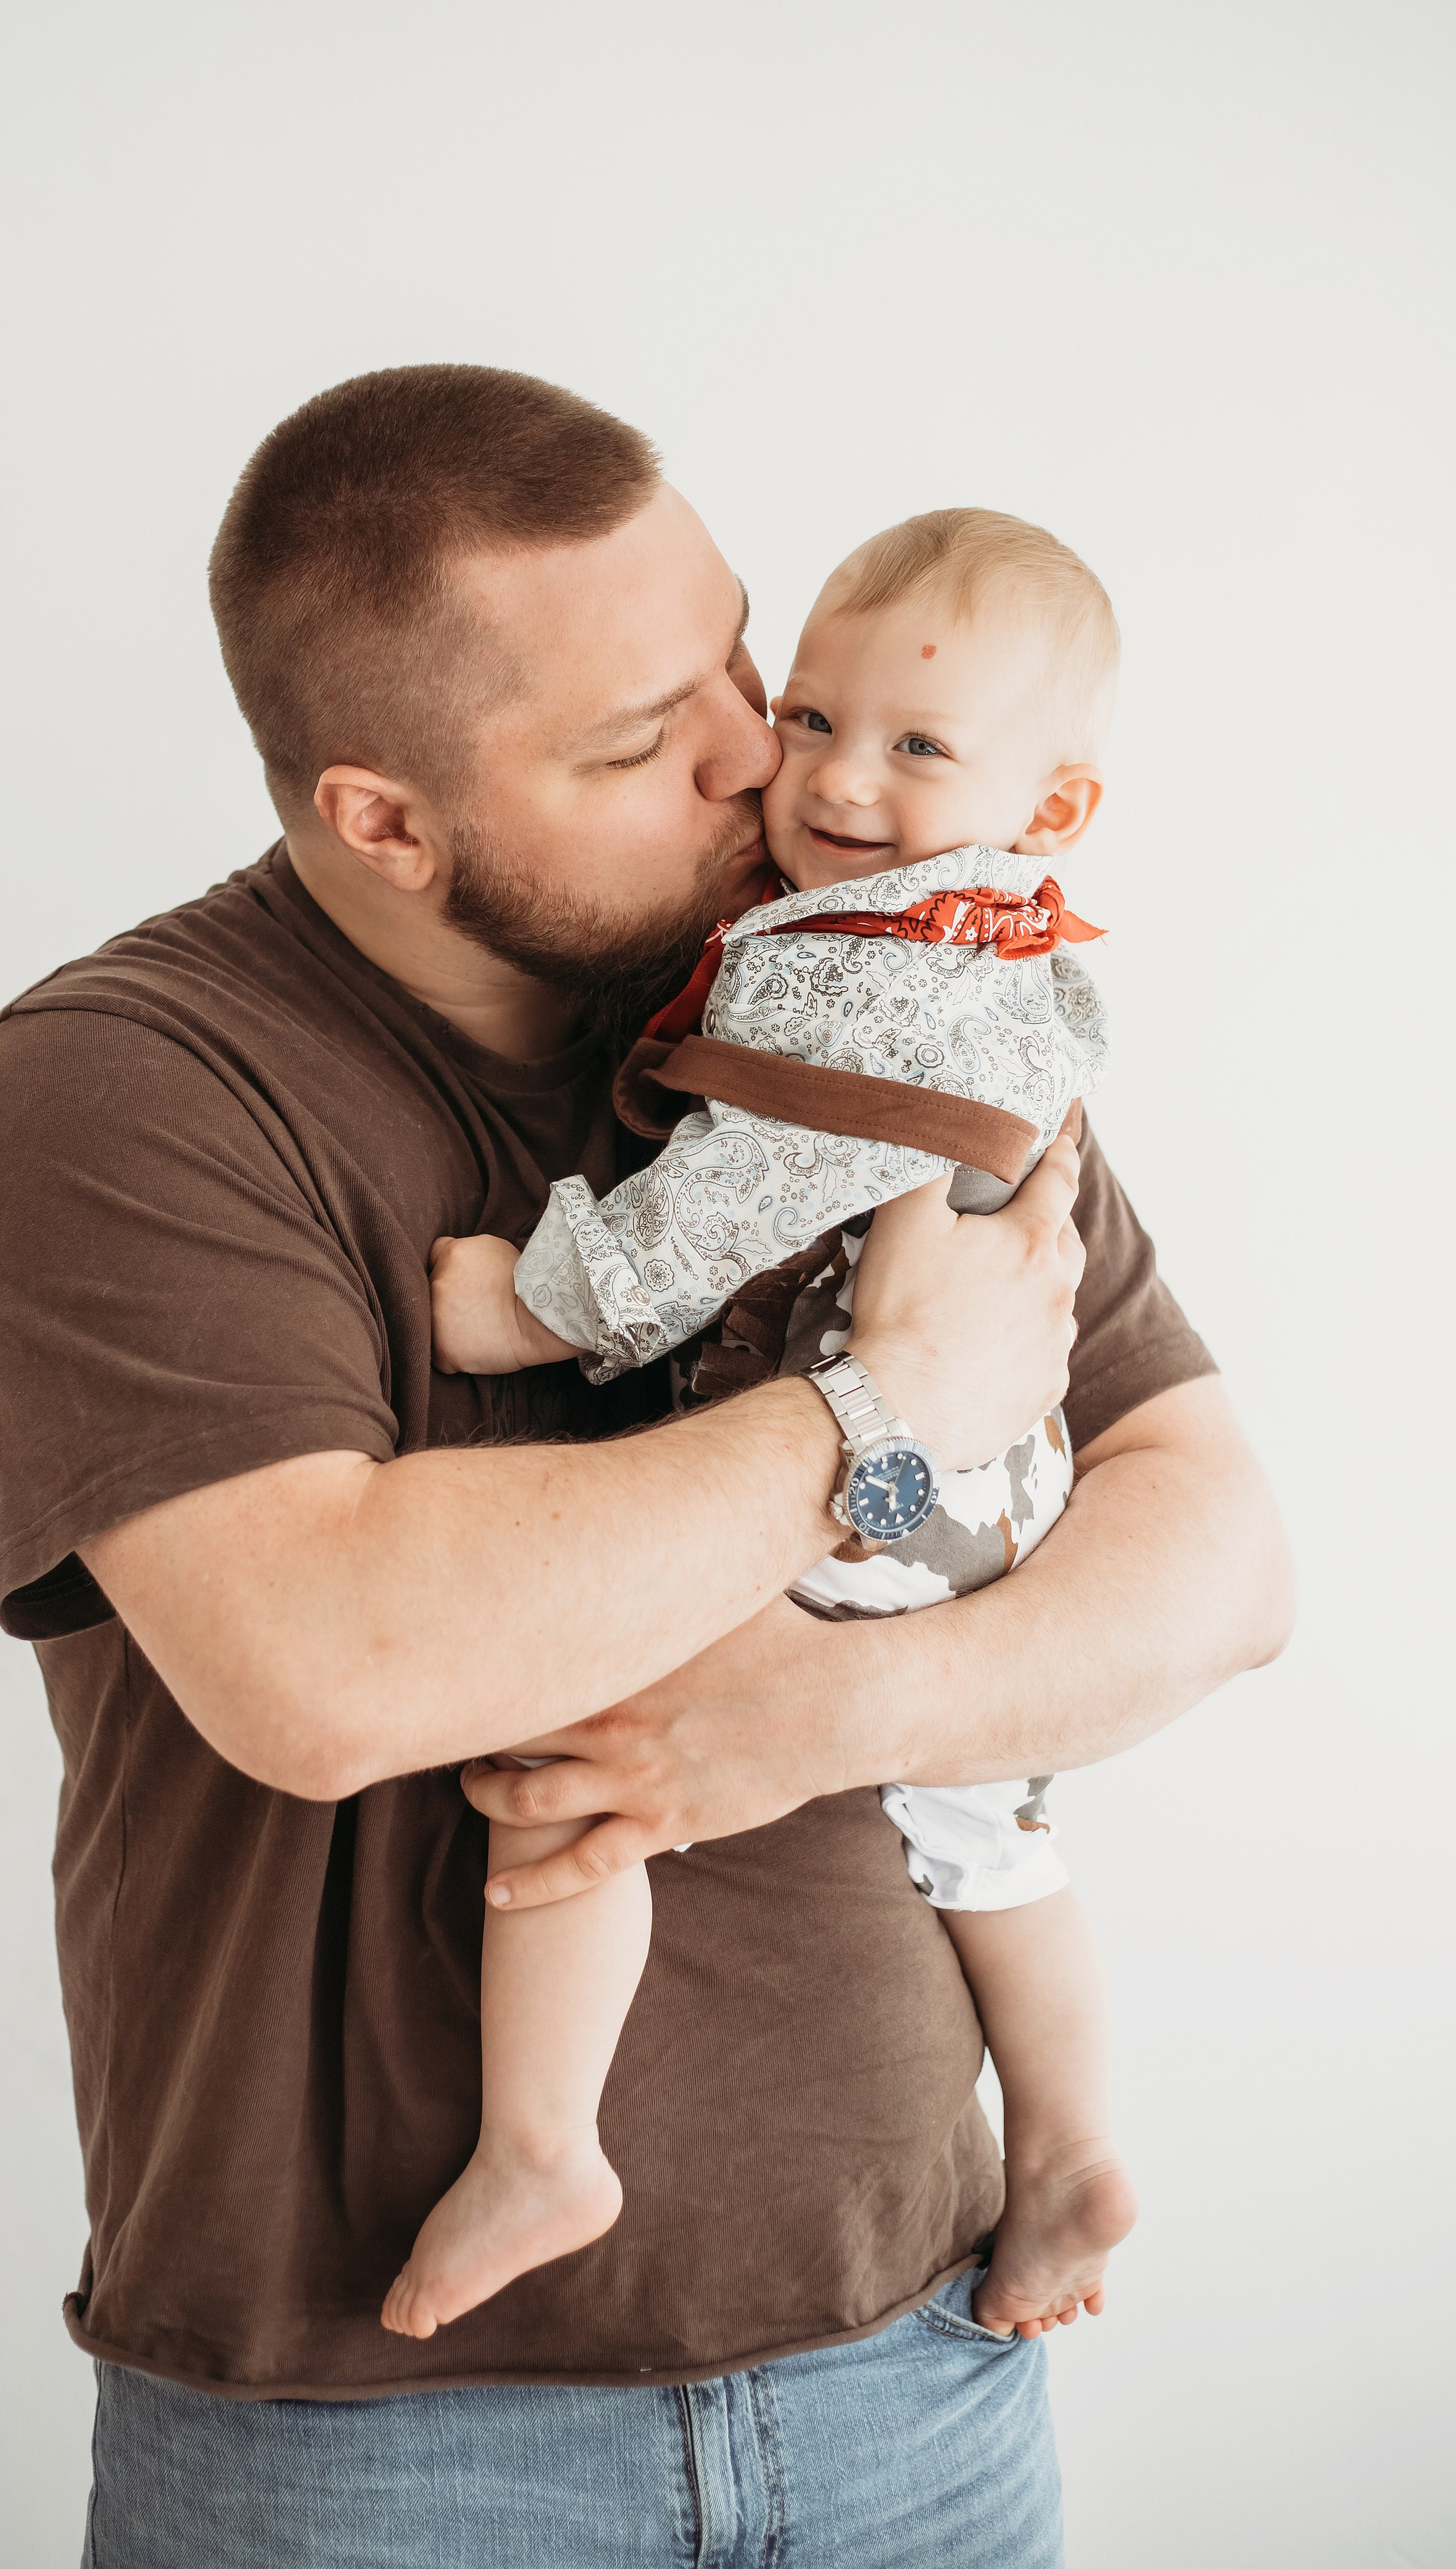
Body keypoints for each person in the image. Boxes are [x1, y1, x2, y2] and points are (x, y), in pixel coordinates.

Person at [0, 365, 1291, 2568]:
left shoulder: (869, 997)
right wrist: (874, 1418)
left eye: (743, 658)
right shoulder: (125, 1093)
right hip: (369, 2439)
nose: (768, 757)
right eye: (652, 735)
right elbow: (329, 1663)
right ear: (386, 819)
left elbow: (1216, 1564)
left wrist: (834, 1708)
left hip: (918, 2365)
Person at [385, 508, 1138, 2352]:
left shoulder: (857, 965)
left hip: (870, 1465)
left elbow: (740, 1190)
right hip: (995, 1488)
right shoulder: (989, 949)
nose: (833, 779)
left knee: (578, 1733)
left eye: (915, 745)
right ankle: (1066, 2147)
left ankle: (539, 2146)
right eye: (810, 717)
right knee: (985, 1824)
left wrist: (541, 1304)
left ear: (1050, 807)